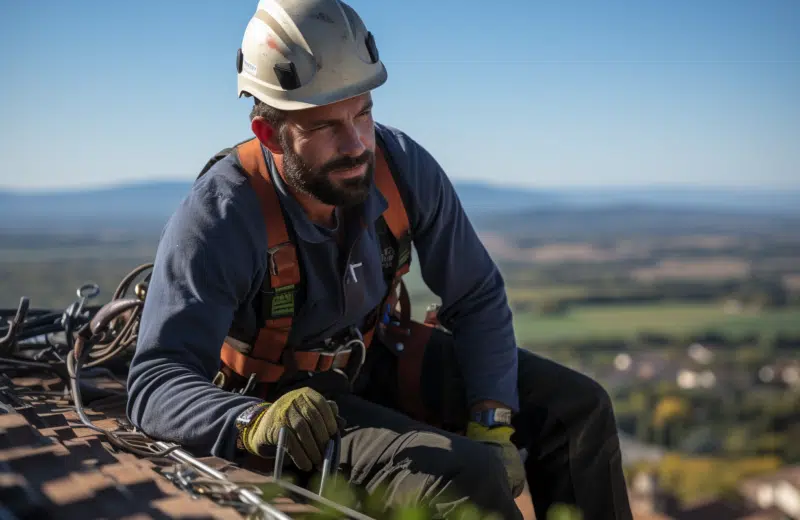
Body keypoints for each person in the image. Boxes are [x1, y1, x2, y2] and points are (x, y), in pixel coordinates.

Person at [126, 1, 633, 519]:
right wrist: (251, 422)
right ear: (271, 135)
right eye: (326, 126)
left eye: (363, 112)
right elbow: (155, 383)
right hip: (289, 408)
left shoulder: (401, 166)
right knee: (465, 478)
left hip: (374, 359)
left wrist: (492, 418)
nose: (357, 144)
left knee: (579, 411)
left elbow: (476, 294)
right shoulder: (223, 213)